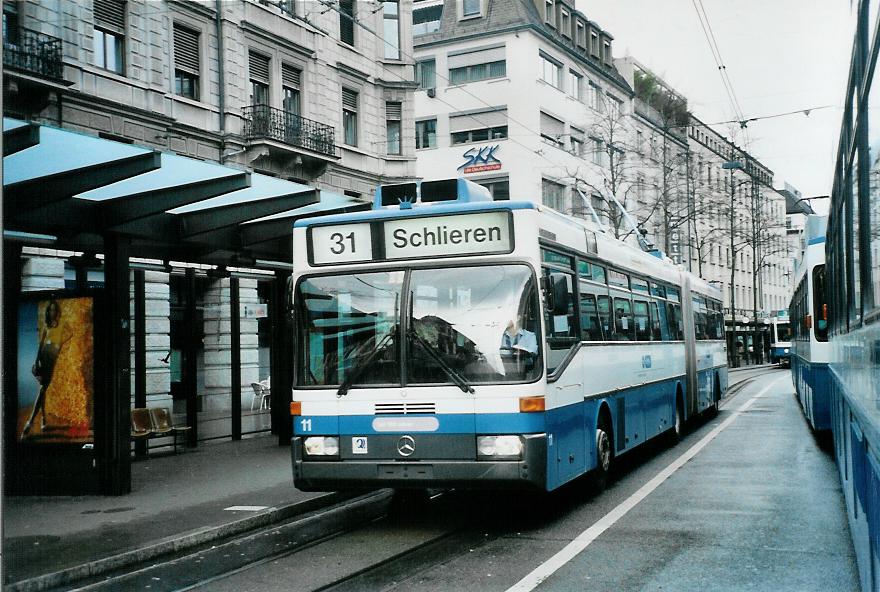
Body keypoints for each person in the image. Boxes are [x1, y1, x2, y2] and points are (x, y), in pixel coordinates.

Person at [21, 299, 71, 440]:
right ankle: (36, 421)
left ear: (57, 312)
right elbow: (41, 345)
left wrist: (60, 345)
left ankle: (34, 421)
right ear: (48, 312)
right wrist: (36, 361)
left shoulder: (62, 324)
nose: (52, 312)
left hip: (52, 358)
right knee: (43, 389)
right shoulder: (46, 326)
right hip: (43, 356)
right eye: (50, 310)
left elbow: (70, 333)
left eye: (55, 309)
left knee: (43, 389)